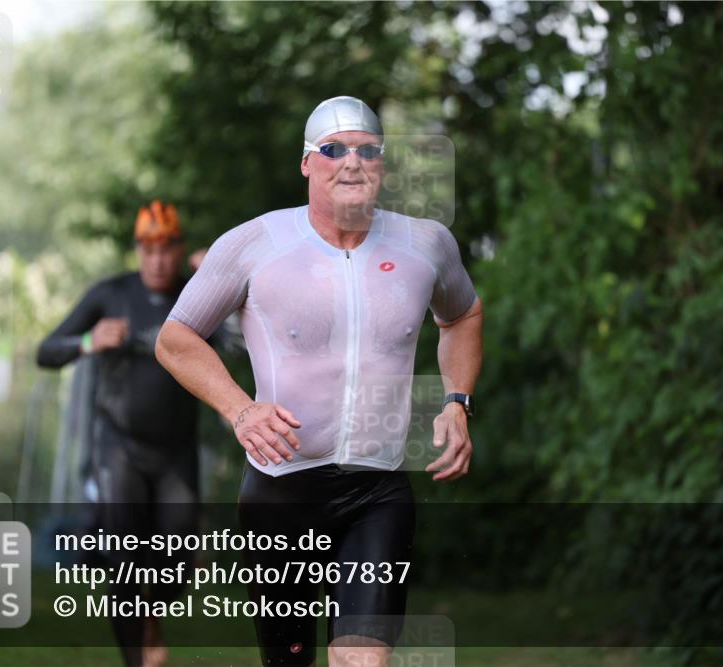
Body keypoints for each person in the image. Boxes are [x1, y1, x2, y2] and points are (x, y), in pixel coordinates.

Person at [156, 96, 483, 667]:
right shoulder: (255, 244)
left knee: (365, 662)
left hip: (376, 491)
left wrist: (457, 401)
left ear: (382, 165)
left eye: (368, 151)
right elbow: (176, 339)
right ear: (307, 163)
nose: (351, 163)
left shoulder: (425, 243)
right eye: (333, 150)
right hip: (282, 492)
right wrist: (241, 410)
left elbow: (462, 316)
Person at [37, 201, 201, 667]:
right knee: (123, 557)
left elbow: (245, 332)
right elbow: (46, 351)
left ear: (179, 249)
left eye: (167, 248)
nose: (157, 260)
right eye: (148, 249)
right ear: (137, 251)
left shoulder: (196, 295)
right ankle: (135, 658)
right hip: (119, 447)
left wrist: (217, 268)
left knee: (178, 559)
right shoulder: (110, 295)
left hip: (175, 451)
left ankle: (152, 618)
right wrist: (90, 341)